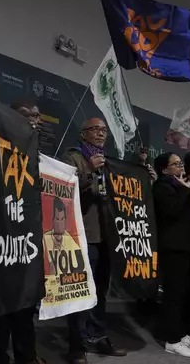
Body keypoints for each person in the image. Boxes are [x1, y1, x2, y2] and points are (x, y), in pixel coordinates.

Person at [0, 98, 47, 364]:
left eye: (36, 115)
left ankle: (27, 356)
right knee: (0, 307)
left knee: (25, 305)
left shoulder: (38, 151)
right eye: (26, 115)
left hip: (27, 241)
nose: (33, 119)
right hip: (1, 239)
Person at [62, 118, 126, 364]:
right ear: (83, 133)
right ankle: (76, 345)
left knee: (100, 293)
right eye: (95, 129)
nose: (100, 133)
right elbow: (65, 189)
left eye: (103, 130)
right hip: (82, 235)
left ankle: (98, 337)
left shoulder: (108, 161)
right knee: (79, 293)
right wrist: (89, 169)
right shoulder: (73, 156)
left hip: (106, 236)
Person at [152, 152, 190, 358]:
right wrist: (184, 191)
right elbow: (171, 210)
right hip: (173, 248)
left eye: (180, 163)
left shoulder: (182, 184)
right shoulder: (161, 186)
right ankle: (172, 340)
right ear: (165, 169)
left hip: (188, 247)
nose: (181, 167)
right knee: (173, 296)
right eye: (175, 164)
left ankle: (182, 333)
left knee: (185, 293)